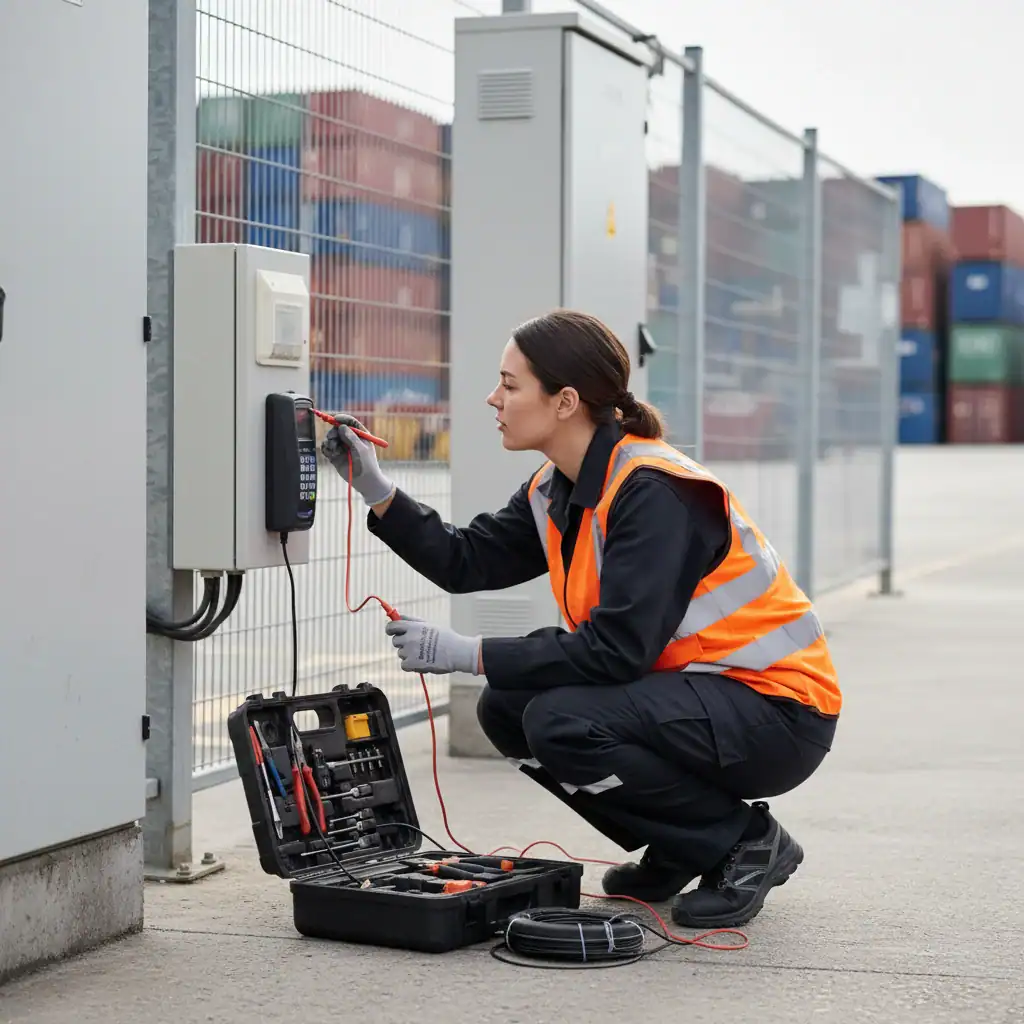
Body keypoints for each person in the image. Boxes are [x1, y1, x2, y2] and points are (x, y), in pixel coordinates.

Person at [320, 309, 840, 929]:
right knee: (505, 709)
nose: (494, 398)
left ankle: (743, 840)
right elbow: (468, 559)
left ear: (564, 401)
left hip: (777, 713)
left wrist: (469, 652)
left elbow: (617, 651)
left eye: (510, 385)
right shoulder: (556, 486)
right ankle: (682, 842)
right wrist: (376, 489)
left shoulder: (653, 492)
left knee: (560, 720)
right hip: (701, 697)